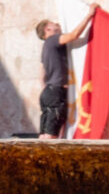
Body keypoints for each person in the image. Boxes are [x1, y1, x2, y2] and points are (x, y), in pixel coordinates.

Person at [35, 9, 95, 139]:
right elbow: (74, 35)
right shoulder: (53, 40)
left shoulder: (46, 47)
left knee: (44, 134)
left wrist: (48, 90)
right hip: (55, 91)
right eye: (53, 24)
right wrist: (89, 14)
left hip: (48, 92)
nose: (58, 25)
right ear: (47, 29)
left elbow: (42, 74)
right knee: (52, 135)